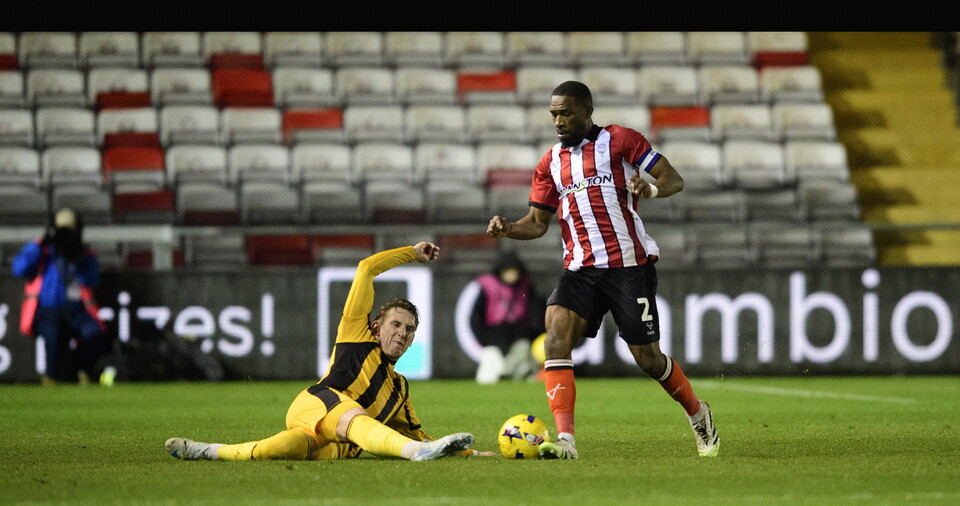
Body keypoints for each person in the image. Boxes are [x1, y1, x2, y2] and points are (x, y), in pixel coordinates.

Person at [486, 81, 719, 459]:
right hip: (581, 269)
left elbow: (673, 179)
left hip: (629, 267)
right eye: (553, 115)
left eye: (566, 113)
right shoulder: (550, 163)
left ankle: (696, 411)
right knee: (555, 335)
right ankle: (566, 440)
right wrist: (508, 228)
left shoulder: (621, 140)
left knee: (648, 359)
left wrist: (650, 190)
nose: (558, 121)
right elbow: (537, 223)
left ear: (587, 111)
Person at [165, 241, 494, 462]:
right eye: (395, 324)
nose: (402, 332)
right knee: (355, 416)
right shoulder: (357, 335)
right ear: (376, 327)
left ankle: (209, 451)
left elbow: (420, 435)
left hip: (333, 443)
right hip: (317, 402)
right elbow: (366, 268)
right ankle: (410, 454)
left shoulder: (399, 389)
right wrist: (411, 253)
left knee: (284, 447)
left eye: (409, 330)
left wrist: (469, 454)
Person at [12, 208, 106, 385]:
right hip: (48, 310)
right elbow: (19, 269)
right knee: (54, 345)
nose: (65, 235)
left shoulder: (83, 252)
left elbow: (92, 280)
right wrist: (42, 244)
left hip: (77, 310)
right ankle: (51, 378)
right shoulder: (43, 249)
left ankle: (83, 371)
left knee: (95, 335)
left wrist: (78, 257)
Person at [471, 250, 545, 384]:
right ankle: (507, 373)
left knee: (522, 354)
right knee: (488, 375)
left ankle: (509, 373)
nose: (510, 275)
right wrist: (484, 338)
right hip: (493, 340)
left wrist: (528, 334)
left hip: (519, 339)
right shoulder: (488, 287)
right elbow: (476, 317)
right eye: (507, 271)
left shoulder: (526, 287)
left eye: (513, 271)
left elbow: (536, 314)